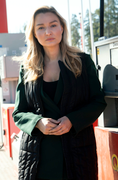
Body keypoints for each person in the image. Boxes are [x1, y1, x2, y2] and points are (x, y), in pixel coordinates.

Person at [12, 6, 107, 180]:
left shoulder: (82, 62)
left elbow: (98, 101)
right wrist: (38, 122)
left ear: (62, 27)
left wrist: (72, 120)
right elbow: (19, 113)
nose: (48, 31)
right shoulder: (27, 68)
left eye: (53, 25)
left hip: (76, 154)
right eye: (40, 27)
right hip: (37, 159)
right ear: (34, 33)